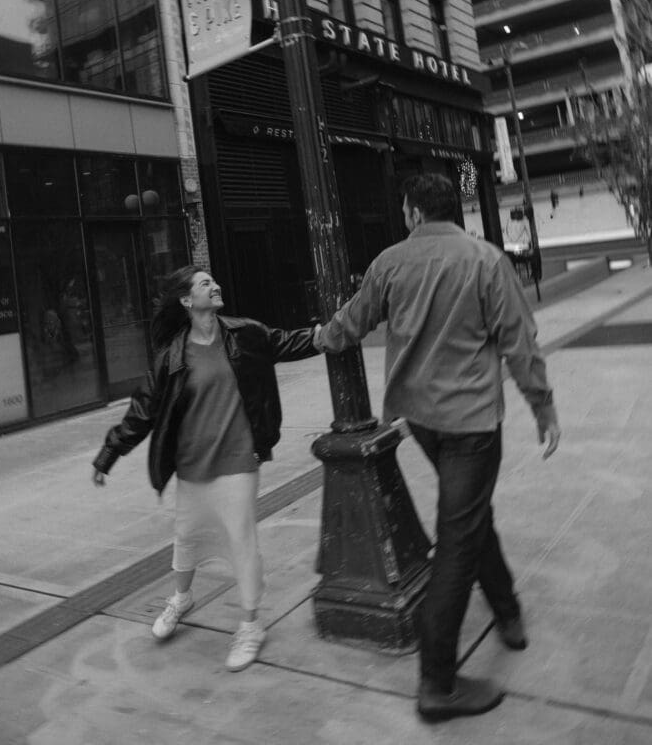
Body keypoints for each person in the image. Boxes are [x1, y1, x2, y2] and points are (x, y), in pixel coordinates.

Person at [313, 173, 560, 722]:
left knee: (468, 517)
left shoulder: (389, 263)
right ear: (454, 210)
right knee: (459, 537)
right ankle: (437, 683)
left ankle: (507, 609)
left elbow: (350, 324)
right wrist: (542, 407)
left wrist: (320, 336)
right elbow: (521, 343)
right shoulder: (486, 260)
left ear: (413, 212)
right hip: (472, 424)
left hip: (421, 420)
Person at [92, 266, 317, 672]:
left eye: (213, 280)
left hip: (238, 459)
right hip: (192, 464)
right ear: (186, 300)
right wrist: (109, 454)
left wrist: (326, 335)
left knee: (240, 539)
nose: (214, 286)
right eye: (204, 283)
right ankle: (181, 598)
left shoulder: (244, 333)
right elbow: (142, 411)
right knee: (187, 535)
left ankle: (250, 625)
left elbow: (284, 342)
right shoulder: (172, 356)